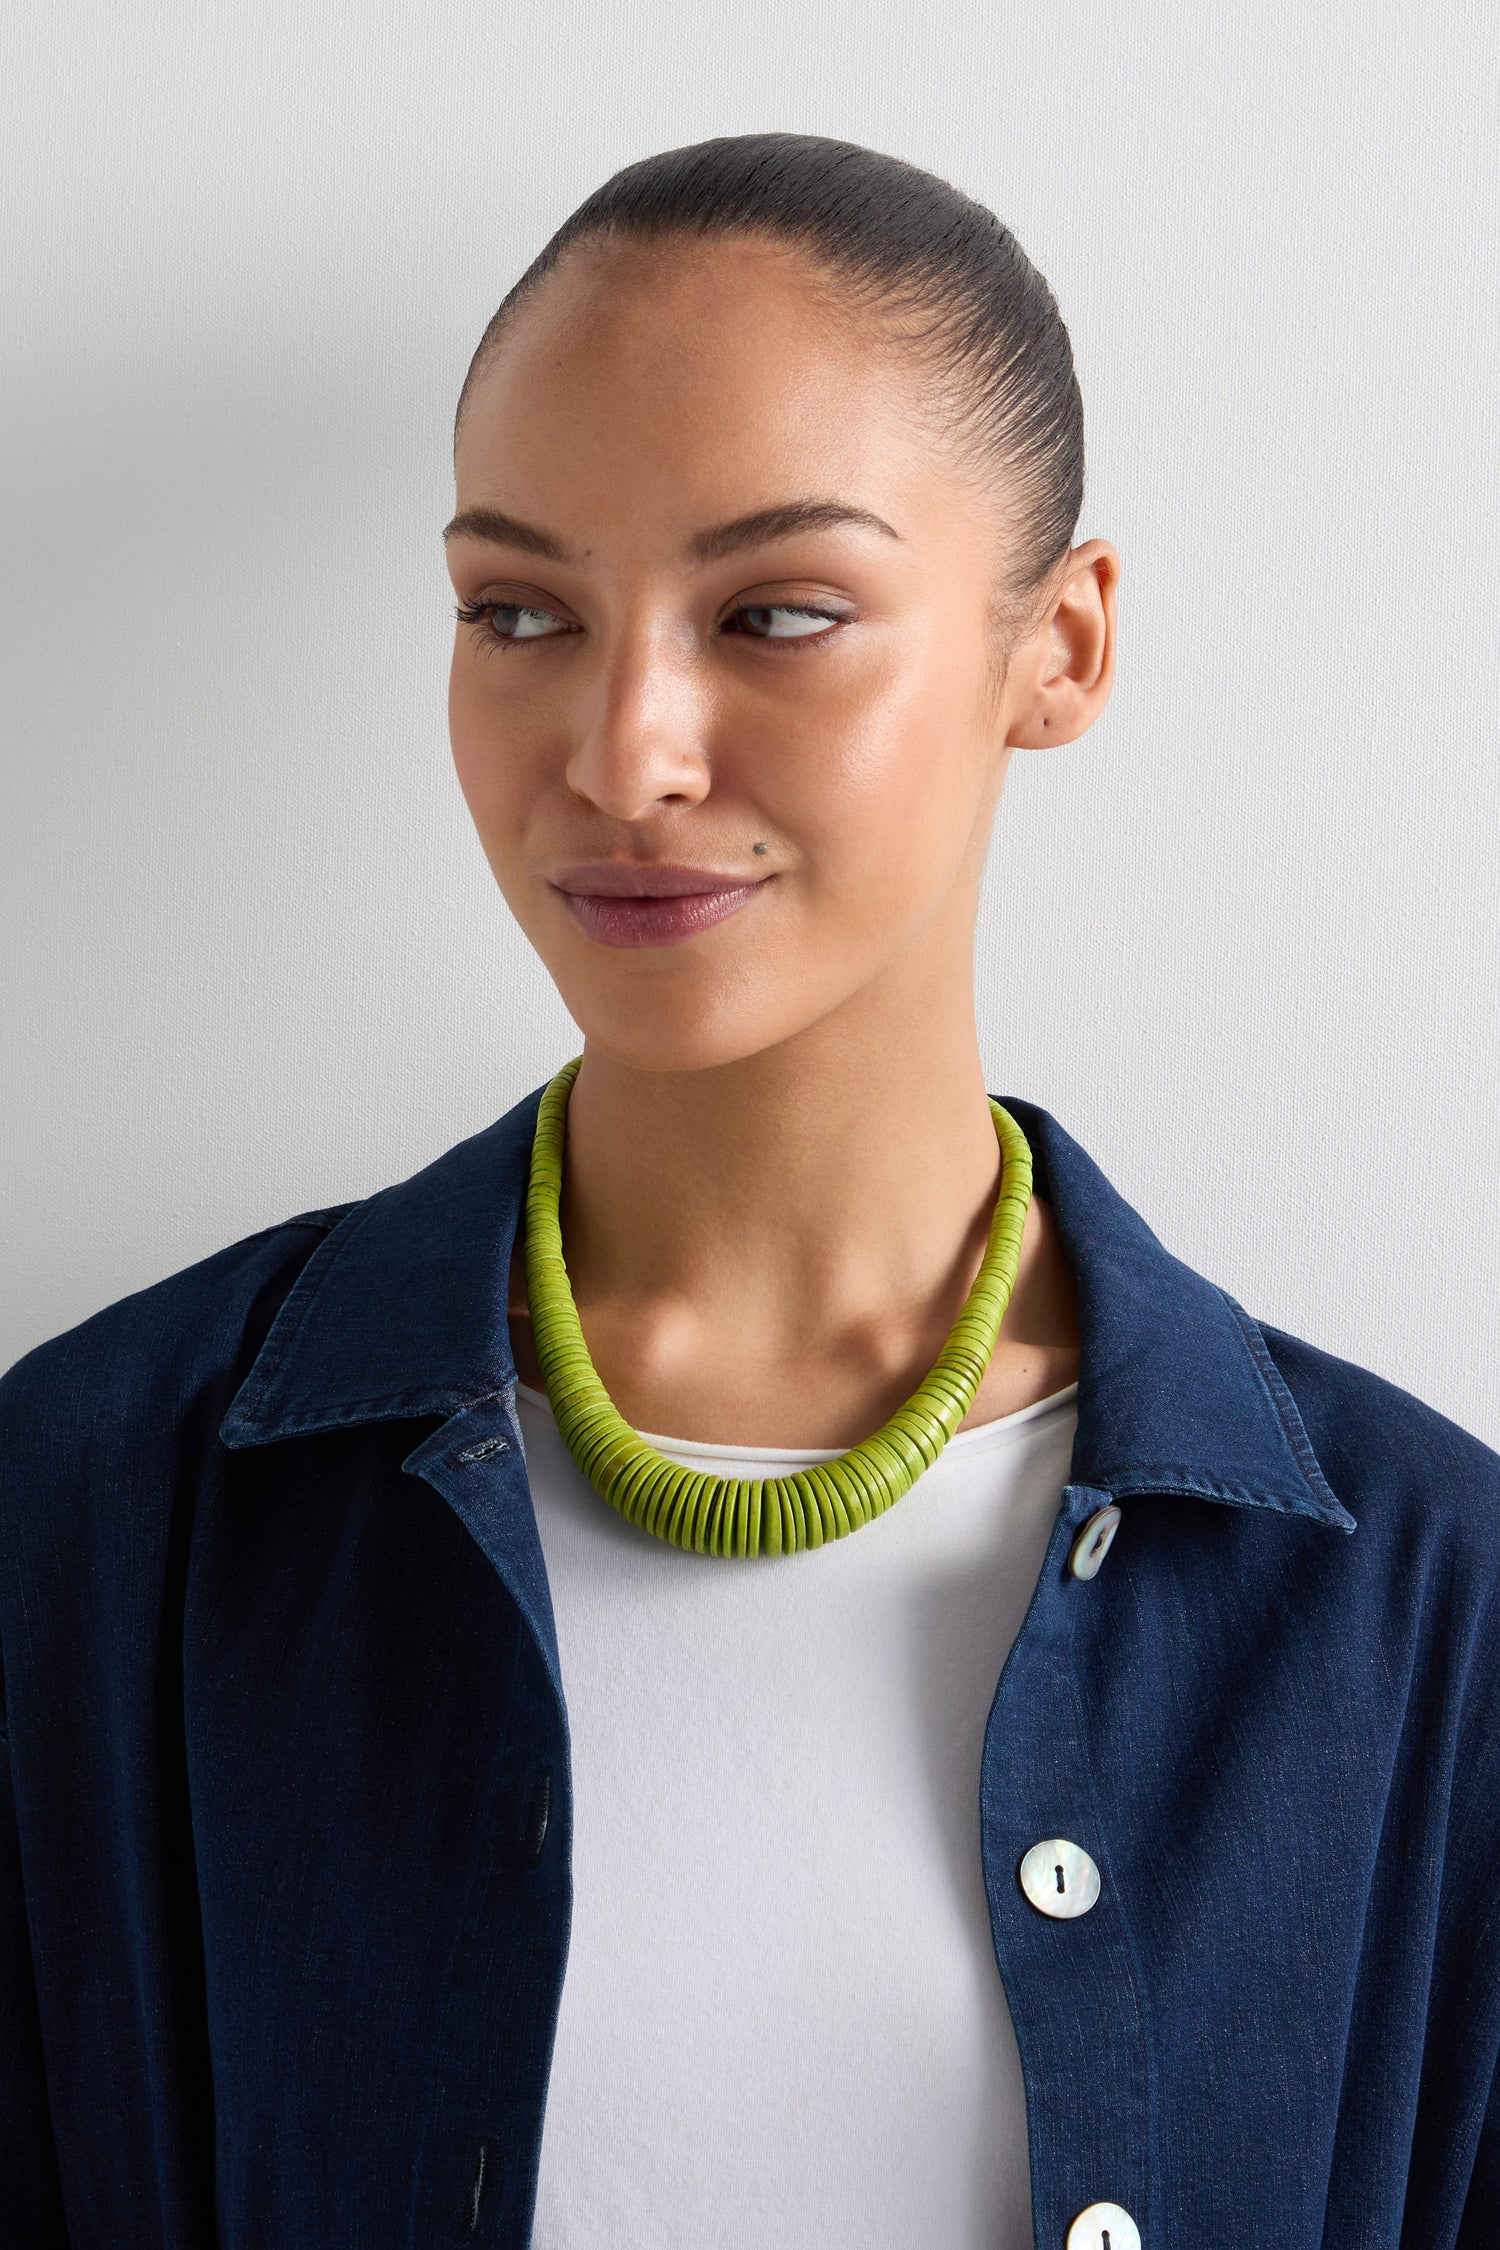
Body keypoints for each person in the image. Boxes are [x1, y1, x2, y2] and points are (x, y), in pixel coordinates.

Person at [1, 131, 1497, 2250]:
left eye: (776, 610)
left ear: (1057, 649)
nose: (623, 750)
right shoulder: (92, 1511)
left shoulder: (1425, 1615)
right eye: (517, 609)